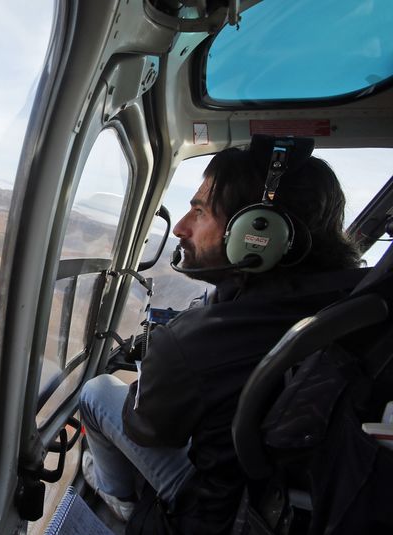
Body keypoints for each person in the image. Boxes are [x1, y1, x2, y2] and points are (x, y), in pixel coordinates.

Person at [79, 136, 364, 534]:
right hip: (302, 505)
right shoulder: (362, 302)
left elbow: (147, 427)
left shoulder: (197, 341)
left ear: (255, 232)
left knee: (96, 392)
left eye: (199, 211)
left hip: (221, 513)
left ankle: (118, 504)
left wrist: (161, 366)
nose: (180, 227)